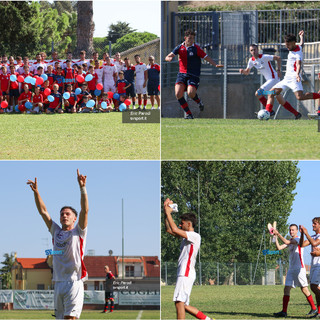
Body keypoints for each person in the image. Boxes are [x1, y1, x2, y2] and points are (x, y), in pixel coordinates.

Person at [27, 169, 88, 320]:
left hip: (74, 282)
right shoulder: (56, 231)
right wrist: (36, 192)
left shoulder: (79, 232)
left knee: (70, 318)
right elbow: (43, 211)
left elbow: (85, 211)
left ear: (75, 218)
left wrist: (82, 188)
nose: (64, 215)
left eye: (68, 214)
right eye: (62, 214)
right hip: (58, 283)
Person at [164, 198, 212, 320]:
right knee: (184, 305)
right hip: (185, 272)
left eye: (182, 223)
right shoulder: (186, 237)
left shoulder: (194, 236)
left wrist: (169, 212)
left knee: (179, 302)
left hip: (185, 272)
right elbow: (169, 230)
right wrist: (166, 213)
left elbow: (174, 229)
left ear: (189, 224)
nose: (180, 225)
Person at [165, 29, 223, 119]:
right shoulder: (179, 47)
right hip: (182, 74)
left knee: (190, 93)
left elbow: (206, 57)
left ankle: (199, 102)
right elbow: (169, 56)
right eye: (189, 38)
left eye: (193, 38)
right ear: (185, 38)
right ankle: (189, 114)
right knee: (178, 94)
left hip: (193, 75)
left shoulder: (196, 48)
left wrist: (215, 64)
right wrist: (168, 58)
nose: (191, 40)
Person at [266, 30, 320, 118]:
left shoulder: (298, 53)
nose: (287, 47)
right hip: (286, 79)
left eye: (288, 45)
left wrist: (297, 74)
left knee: (300, 97)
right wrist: (301, 37)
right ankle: (267, 113)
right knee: (270, 93)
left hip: (294, 78)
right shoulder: (297, 47)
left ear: (294, 43)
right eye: (286, 45)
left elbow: (298, 64)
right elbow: (302, 45)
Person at [273, 224, 316, 317]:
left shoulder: (297, 239)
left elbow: (286, 242)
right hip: (292, 269)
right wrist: (275, 237)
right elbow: (279, 248)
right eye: (290, 230)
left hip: (299, 268)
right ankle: (284, 312)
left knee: (304, 289)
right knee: (286, 289)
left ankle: (313, 308)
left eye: (293, 230)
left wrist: (278, 234)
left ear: (297, 231)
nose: (291, 232)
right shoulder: (290, 240)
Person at [300, 218, 320, 318]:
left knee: (313, 287)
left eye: (315, 224)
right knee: (316, 289)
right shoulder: (313, 236)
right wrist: (303, 234)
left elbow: (315, 243)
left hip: (319, 265)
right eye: (312, 224)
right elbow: (302, 244)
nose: (312, 225)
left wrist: (306, 232)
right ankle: (319, 312)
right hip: (314, 265)